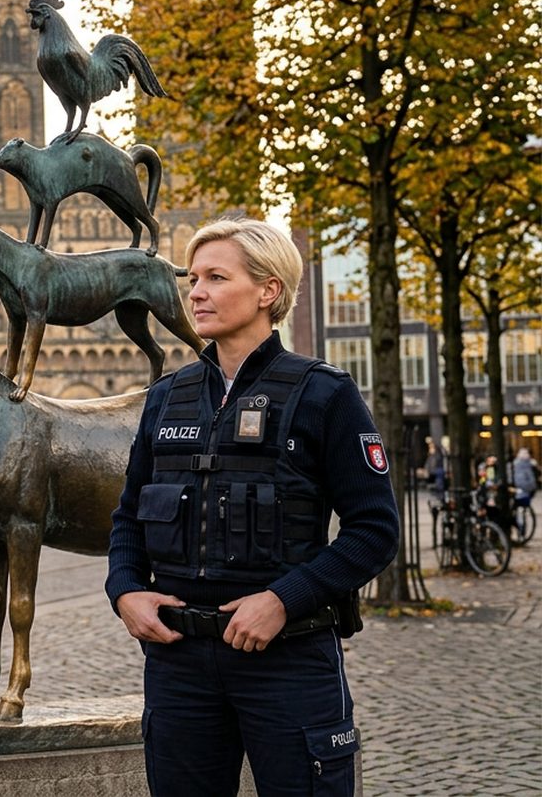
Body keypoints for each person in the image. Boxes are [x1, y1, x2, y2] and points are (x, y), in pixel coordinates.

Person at [105, 218, 399, 796]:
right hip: (180, 665)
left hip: (287, 662)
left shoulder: (324, 393)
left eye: (216, 277)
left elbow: (374, 530)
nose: (196, 292)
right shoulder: (167, 396)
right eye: (193, 279)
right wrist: (125, 590)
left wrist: (281, 600)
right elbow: (128, 518)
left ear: (268, 291)